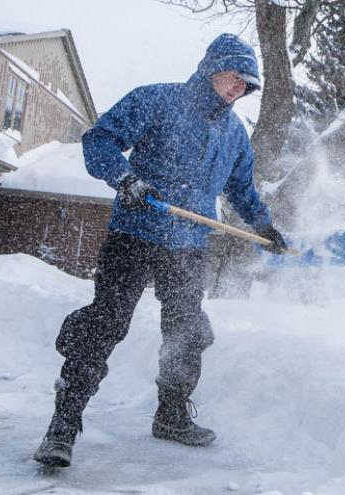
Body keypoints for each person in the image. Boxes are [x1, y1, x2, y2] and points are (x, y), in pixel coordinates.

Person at [33, 33, 286, 468]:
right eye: (232, 78)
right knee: (105, 323)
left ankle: (171, 415)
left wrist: (264, 225)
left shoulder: (234, 134)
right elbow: (100, 140)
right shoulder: (157, 101)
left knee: (187, 332)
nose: (236, 89)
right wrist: (125, 179)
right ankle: (63, 426)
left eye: (245, 85)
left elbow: (241, 187)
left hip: (188, 246)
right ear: (212, 69)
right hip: (135, 233)